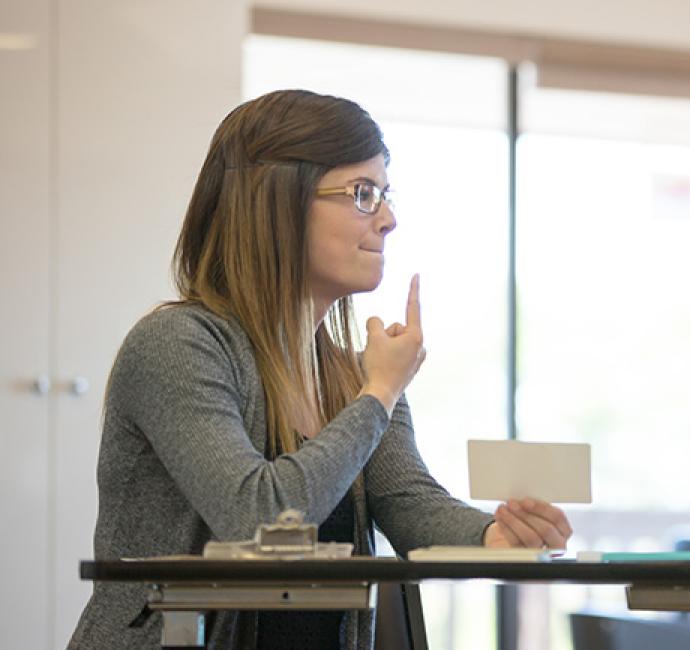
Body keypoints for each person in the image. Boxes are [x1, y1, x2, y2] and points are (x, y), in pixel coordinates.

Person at [70, 89, 572, 649]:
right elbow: (257, 515)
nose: (388, 219)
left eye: (384, 194)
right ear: (276, 204)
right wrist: (379, 392)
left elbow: (408, 505)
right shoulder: (177, 344)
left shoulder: (354, 374)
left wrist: (494, 535)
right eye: (363, 194)